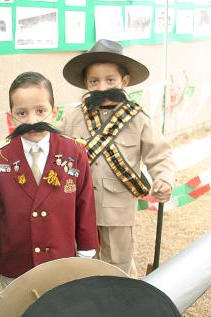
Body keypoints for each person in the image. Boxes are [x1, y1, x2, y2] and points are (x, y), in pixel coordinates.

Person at [62, 39, 177, 277]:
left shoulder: (137, 119)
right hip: (78, 207)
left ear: (124, 81)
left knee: (119, 266)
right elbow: (56, 151)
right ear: (86, 83)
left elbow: (161, 155)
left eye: (110, 80)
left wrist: (164, 178)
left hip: (118, 209)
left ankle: (122, 308)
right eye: (94, 81)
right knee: (82, 265)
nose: (102, 87)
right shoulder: (73, 118)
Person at [0, 72, 98, 287]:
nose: (32, 121)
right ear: (10, 116)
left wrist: (86, 251)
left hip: (61, 261)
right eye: (22, 113)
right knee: (19, 315)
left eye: (40, 111)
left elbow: (85, 203)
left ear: (54, 112)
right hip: (16, 263)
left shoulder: (75, 152)